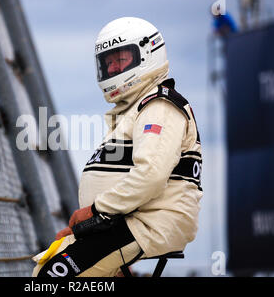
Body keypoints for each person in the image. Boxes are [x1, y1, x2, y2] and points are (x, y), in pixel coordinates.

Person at [32, 17, 203, 277]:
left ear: (147, 54)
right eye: (107, 62)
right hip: (126, 222)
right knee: (50, 263)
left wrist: (94, 211)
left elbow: (151, 175)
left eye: (120, 60)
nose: (112, 69)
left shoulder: (159, 106)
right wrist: (86, 228)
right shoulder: (134, 111)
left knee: (51, 278)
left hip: (148, 224)